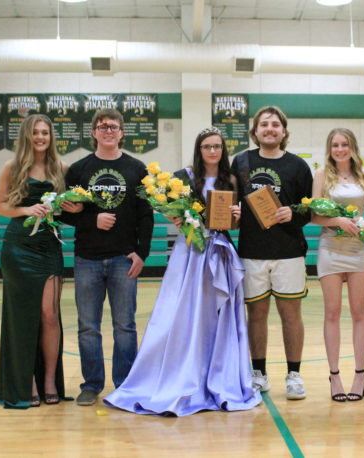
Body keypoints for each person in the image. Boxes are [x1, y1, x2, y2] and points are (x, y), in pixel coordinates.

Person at [104, 127, 262, 416]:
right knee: (183, 314)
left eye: (217, 146)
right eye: (206, 146)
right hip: (190, 252)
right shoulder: (184, 176)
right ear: (199, 149)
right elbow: (165, 207)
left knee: (217, 316)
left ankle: (215, 375)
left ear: (223, 150)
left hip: (220, 251)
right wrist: (176, 217)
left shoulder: (232, 179)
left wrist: (237, 217)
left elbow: (233, 224)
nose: (212, 151)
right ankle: (180, 371)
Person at [63, 108, 154, 406]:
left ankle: (126, 384)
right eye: (102, 126)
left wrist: (142, 253)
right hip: (87, 258)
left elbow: (146, 216)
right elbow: (65, 214)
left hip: (123, 259)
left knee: (124, 325)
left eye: (113, 126)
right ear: (93, 132)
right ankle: (91, 384)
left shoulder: (137, 169)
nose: (108, 131)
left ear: (122, 132)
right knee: (88, 325)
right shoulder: (78, 169)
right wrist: (92, 220)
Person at [0, 114, 80, 409]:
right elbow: (0, 206)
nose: (40, 137)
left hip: (49, 247)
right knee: (23, 318)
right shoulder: (12, 167)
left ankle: (48, 381)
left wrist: (73, 206)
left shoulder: (63, 168)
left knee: (49, 315)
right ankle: (26, 381)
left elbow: (77, 205)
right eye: (35, 133)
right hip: (19, 247)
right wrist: (27, 209)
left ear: (51, 136)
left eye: (45, 132)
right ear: (26, 136)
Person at [230, 106, 313, 400]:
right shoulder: (240, 162)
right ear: (255, 131)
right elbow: (230, 205)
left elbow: (309, 209)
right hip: (252, 252)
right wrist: (233, 214)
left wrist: (294, 213)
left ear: (284, 131)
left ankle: (294, 374)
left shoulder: (299, 166)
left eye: (275, 124)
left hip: (289, 252)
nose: (269, 128)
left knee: (291, 314)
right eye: (264, 124)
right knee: (256, 315)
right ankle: (259, 373)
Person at [311, 128, 364, 402]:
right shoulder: (322, 176)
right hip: (330, 248)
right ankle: (334, 376)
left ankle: (359, 374)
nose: (340, 149)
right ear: (329, 149)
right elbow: (314, 216)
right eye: (335, 145)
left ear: (353, 147)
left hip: (359, 250)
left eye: (344, 144)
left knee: (359, 313)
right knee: (332, 313)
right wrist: (336, 221)